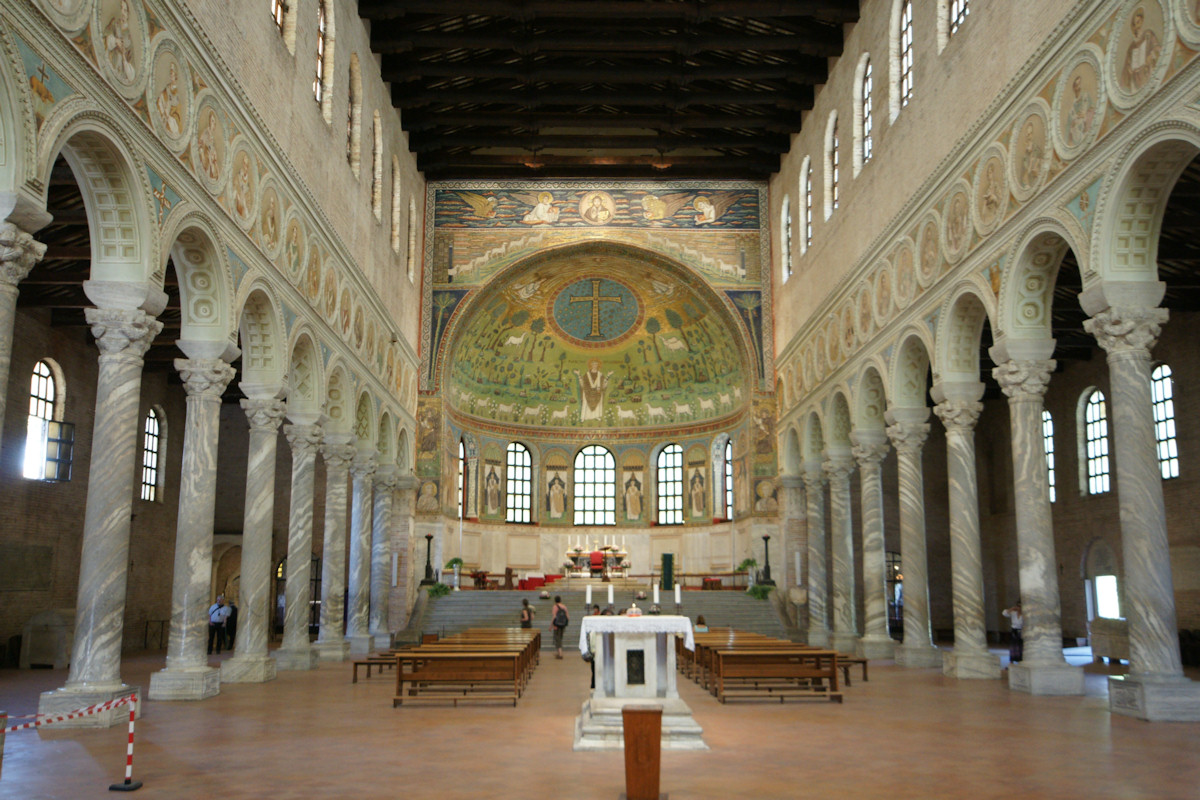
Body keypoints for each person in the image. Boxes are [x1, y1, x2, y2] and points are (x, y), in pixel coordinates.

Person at [550, 595, 569, 659]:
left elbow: (554, 617)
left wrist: (551, 625)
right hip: (563, 625)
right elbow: (568, 617)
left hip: (556, 625)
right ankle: (559, 653)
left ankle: (560, 653)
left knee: (557, 639)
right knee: (560, 638)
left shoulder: (555, 607)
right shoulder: (564, 607)